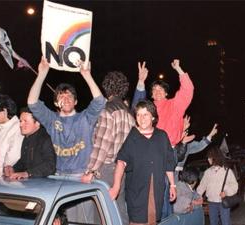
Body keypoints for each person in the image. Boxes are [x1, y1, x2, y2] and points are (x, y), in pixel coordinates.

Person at [27, 57, 105, 223]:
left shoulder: (85, 118)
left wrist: (86, 75)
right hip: (56, 177)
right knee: (61, 221)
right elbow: (32, 103)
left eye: (70, 96)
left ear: (76, 101)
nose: (67, 99)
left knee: (83, 221)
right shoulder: (50, 119)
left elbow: (99, 101)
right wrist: (41, 74)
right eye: (62, 96)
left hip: (81, 178)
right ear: (56, 102)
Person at [132, 60, 194, 218]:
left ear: (166, 93)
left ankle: (166, 221)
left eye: (160, 89)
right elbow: (135, 108)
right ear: (151, 94)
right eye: (154, 90)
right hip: (146, 153)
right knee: (148, 191)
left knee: (165, 189)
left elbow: (188, 89)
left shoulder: (175, 105)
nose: (157, 92)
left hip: (167, 152)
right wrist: (140, 81)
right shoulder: (148, 109)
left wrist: (179, 68)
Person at [109, 100, 177, 225]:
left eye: (145, 114)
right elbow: (121, 162)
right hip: (136, 192)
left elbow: (168, 163)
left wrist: (173, 185)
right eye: (138, 115)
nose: (142, 118)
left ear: (153, 116)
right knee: (137, 221)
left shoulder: (162, 136)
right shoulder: (132, 137)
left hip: (156, 190)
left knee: (153, 221)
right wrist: (116, 186)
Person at [81, 71, 134, 224]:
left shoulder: (107, 110)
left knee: (101, 212)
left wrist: (90, 170)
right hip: (121, 169)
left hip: (106, 169)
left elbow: (101, 145)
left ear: (106, 88)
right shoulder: (129, 113)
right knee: (118, 210)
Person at [4, 107, 56, 179]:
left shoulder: (46, 139)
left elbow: (50, 165)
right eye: (21, 121)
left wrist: (27, 173)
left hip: (45, 186)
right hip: (31, 185)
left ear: (37, 123)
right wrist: (13, 168)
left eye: (25, 121)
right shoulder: (26, 138)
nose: (21, 125)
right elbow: (23, 161)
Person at [197, 147, 238, 225]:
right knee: (213, 223)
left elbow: (234, 185)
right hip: (211, 202)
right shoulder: (207, 172)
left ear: (215, 158)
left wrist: (226, 192)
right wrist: (196, 197)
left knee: (225, 222)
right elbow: (202, 186)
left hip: (223, 202)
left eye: (209, 157)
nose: (208, 159)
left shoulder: (227, 171)